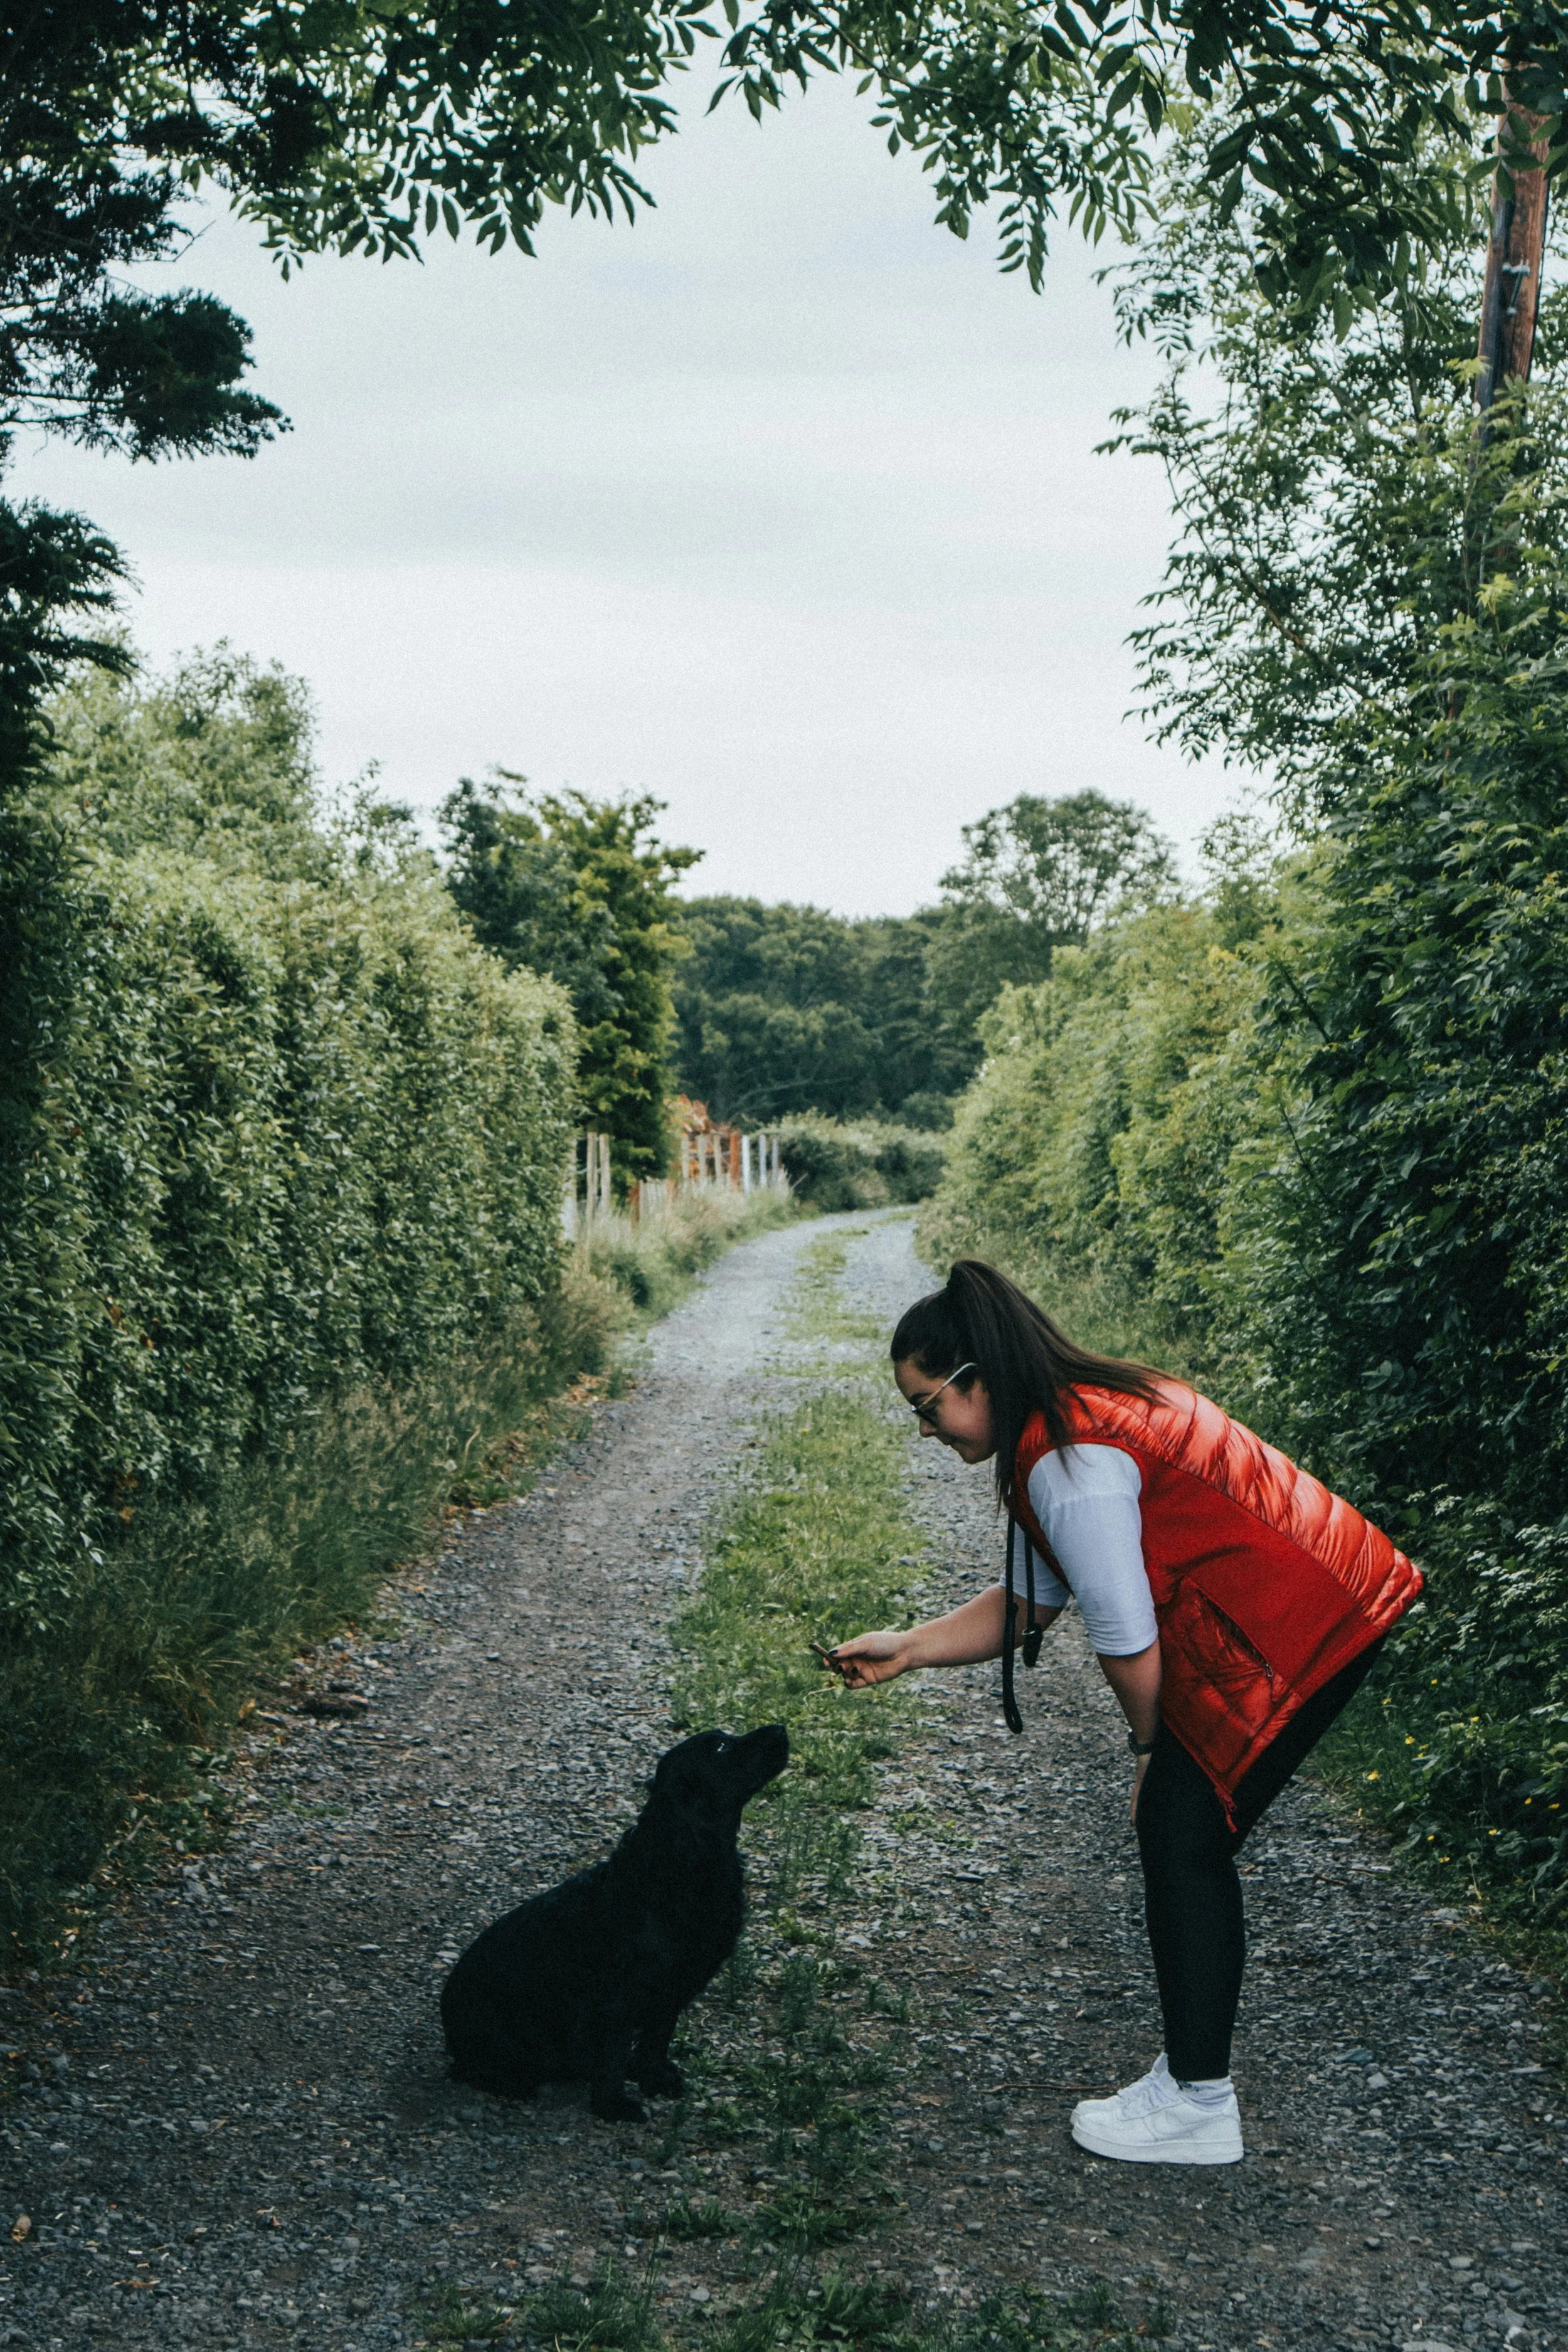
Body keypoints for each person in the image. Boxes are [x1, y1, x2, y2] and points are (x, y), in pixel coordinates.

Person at [822, 1259, 1420, 2166]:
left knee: (1182, 1831)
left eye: (926, 1404)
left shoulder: (1068, 1462)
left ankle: (1197, 2103)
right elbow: (1036, 1596)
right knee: (1184, 1832)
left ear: (977, 1377)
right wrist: (906, 1645)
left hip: (1307, 1621)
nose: (923, 1428)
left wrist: (1152, 1748)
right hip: (1325, 1596)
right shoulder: (1076, 1409)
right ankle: (1191, 2080)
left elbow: (1128, 1640)